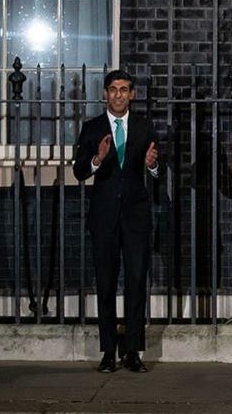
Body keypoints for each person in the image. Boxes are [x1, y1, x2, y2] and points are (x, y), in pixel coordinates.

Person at [73, 70, 159, 373]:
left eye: (124, 90)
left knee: (136, 282)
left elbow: (156, 166)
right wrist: (97, 159)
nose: (118, 95)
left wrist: (153, 166)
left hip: (136, 218)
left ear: (132, 94)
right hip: (104, 218)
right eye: (113, 89)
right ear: (105, 94)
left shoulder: (144, 126)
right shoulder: (92, 128)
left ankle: (133, 352)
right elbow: (79, 171)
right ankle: (109, 351)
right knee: (106, 285)